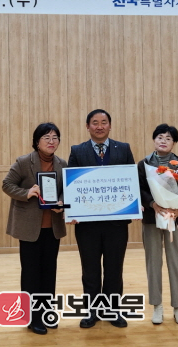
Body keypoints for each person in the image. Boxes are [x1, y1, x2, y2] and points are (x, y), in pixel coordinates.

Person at [67, 109, 135, 328]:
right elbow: (71, 185)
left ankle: (113, 311)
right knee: (90, 269)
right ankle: (92, 311)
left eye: (103, 122)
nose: (99, 126)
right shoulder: (77, 151)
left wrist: (135, 204)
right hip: (87, 225)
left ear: (110, 126)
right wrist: (72, 211)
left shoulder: (123, 149)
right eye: (94, 122)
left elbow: (131, 181)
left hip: (117, 224)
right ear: (87, 126)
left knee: (114, 269)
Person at [2, 123, 67, 335]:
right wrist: (27, 193)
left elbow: (66, 190)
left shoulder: (62, 164)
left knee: (49, 271)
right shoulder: (23, 162)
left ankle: (47, 313)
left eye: (55, 137)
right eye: (46, 138)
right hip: (29, 228)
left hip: (52, 227)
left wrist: (61, 202)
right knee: (31, 273)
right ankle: (32, 317)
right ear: (37, 141)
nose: (51, 141)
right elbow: (7, 184)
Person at [137, 124, 178, 326]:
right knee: (153, 263)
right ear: (154, 140)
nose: (163, 141)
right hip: (152, 218)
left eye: (168, 138)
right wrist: (152, 204)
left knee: (176, 262)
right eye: (160, 137)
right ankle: (157, 306)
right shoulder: (144, 164)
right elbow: (140, 189)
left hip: (175, 220)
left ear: (174, 143)